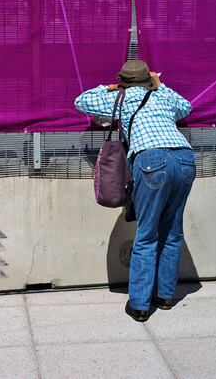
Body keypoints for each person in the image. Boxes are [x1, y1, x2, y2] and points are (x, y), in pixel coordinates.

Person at [74, 60, 195, 322]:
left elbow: (81, 101)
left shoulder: (122, 96)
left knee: (147, 235)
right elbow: (187, 107)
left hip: (152, 161)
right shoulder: (162, 96)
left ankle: (139, 305)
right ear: (148, 79)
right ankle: (164, 297)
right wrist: (160, 85)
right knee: (173, 233)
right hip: (185, 159)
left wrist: (111, 86)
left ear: (125, 81)